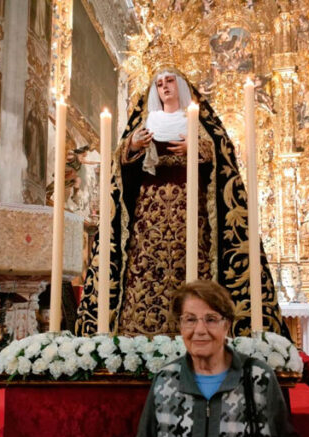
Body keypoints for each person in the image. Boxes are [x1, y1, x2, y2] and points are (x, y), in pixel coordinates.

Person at [75, 67, 289, 338]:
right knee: (145, 273)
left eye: (170, 81)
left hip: (190, 214)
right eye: (159, 83)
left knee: (191, 274)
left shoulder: (198, 122)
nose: (165, 87)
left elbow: (224, 160)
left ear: (181, 85)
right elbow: (121, 176)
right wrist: (131, 146)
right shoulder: (145, 122)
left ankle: (197, 335)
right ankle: (140, 336)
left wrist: (199, 148)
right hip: (148, 217)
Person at [126, 280, 308, 437]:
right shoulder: (166, 381)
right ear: (180, 326)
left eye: (211, 319)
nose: (199, 330)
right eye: (190, 319)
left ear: (227, 325)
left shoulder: (257, 378)